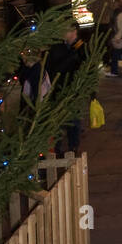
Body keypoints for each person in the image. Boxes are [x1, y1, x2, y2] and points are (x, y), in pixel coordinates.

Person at [46, 21, 87, 154]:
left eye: (66, 31)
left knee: (73, 120)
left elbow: (86, 68)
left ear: (74, 32)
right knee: (58, 120)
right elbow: (53, 68)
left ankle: (73, 147)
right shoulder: (59, 48)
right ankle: (57, 148)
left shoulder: (81, 47)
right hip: (59, 88)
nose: (63, 33)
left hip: (73, 88)